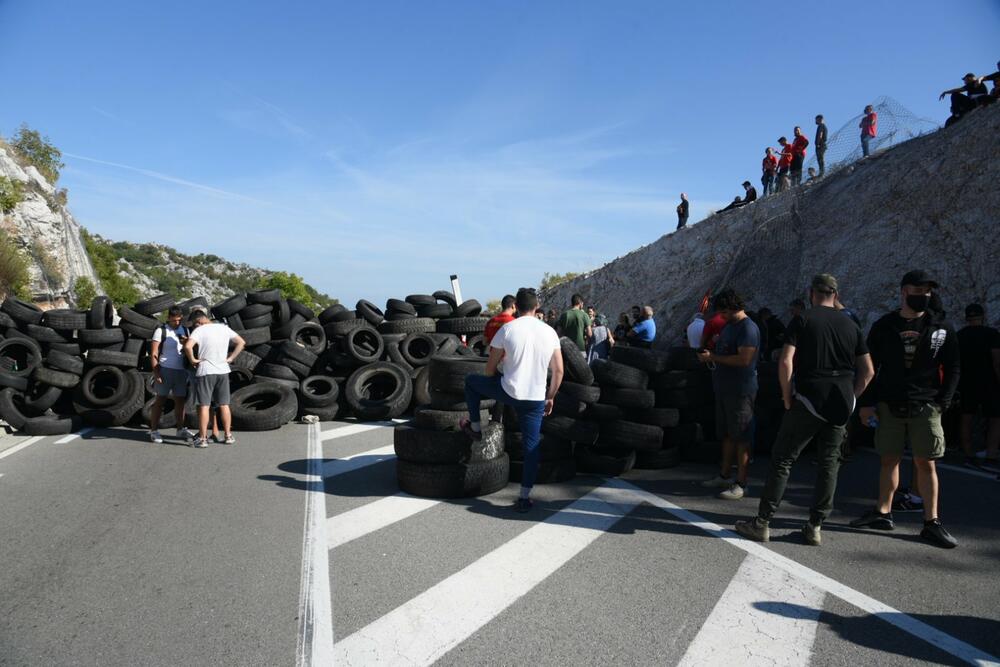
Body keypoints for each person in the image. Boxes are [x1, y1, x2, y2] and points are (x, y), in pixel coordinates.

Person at [735, 274, 874, 545]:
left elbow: (786, 361)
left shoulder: (803, 319)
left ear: (811, 293)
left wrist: (787, 398)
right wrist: (853, 398)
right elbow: (868, 371)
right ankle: (814, 526)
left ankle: (762, 522)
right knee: (829, 463)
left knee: (783, 459)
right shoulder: (851, 324)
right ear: (836, 293)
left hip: (810, 397)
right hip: (841, 400)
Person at [850, 270, 960, 549]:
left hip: (926, 404)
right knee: (889, 459)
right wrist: (865, 404)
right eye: (918, 290)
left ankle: (931, 522)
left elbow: (954, 368)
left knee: (927, 462)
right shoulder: (884, 325)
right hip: (889, 403)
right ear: (904, 292)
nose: (924, 295)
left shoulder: (941, 326)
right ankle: (883, 513)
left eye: (927, 291)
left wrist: (943, 401)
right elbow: (869, 368)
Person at [461, 287, 564, 513]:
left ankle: (476, 427)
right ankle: (524, 498)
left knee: (471, 382)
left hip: (508, 391)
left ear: (516, 306)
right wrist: (550, 397)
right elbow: (558, 372)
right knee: (531, 448)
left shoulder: (507, 329)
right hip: (535, 398)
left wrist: (496, 377)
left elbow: (489, 369)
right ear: (536, 307)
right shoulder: (550, 332)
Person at [697, 289, 760, 500]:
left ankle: (742, 483)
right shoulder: (729, 327)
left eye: (723, 313)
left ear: (731, 308)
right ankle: (724, 475)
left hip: (740, 391)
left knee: (742, 436)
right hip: (724, 388)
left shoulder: (748, 328)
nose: (720, 317)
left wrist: (713, 356)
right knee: (726, 433)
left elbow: (744, 360)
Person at [183, 310, 246, 448]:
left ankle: (203, 439)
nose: (195, 327)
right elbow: (241, 342)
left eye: (194, 324)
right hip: (223, 370)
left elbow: (188, 346)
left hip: (206, 371)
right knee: (224, 404)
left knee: (204, 405)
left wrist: (193, 359)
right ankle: (228, 435)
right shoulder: (224, 328)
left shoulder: (199, 331)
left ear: (198, 322)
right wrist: (230, 358)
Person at [957, 303, 1000, 470]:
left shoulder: (959, 335)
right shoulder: (992, 334)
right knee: (995, 419)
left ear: (967, 318)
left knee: (966, 418)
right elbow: (997, 361)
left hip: (967, 382)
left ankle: (969, 455)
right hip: (990, 382)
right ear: (982, 316)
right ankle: (991, 455)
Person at [148, 306, 195, 444]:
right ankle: (154, 430)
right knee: (160, 400)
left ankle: (180, 428)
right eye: (174, 320)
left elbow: (190, 350)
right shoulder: (161, 331)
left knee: (180, 401)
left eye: (179, 320)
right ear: (168, 318)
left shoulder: (185, 329)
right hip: (165, 369)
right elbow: (154, 353)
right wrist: (156, 373)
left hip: (181, 370)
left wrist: (186, 343)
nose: (177, 323)